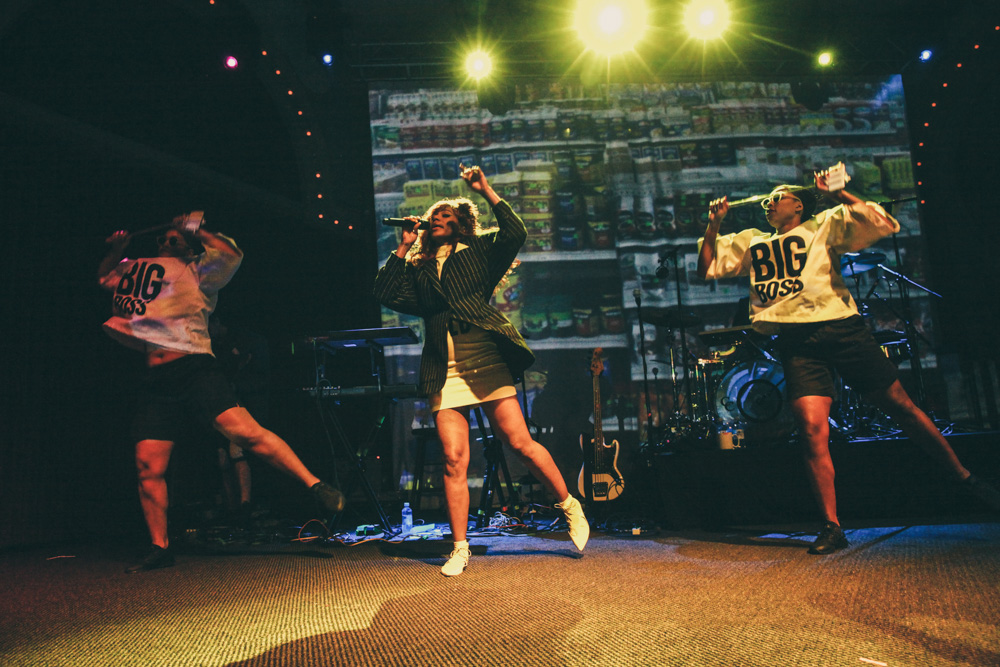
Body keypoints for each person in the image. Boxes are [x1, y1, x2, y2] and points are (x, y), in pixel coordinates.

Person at [697, 167, 1000, 554]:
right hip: (797, 340)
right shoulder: (753, 241)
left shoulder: (823, 224)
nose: (769, 202)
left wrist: (839, 192)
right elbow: (706, 267)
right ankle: (831, 525)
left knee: (901, 407)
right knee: (810, 428)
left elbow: (880, 220)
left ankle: (964, 477)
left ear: (799, 205)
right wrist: (713, 224)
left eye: (779, 196)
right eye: (768, 199)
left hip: (841, 330)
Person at [374, 165, 589, 576]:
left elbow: (515, 233)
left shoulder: (479, 253)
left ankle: (568, 505)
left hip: (486, 359)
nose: (437, 220)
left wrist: (485, 189)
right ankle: (459, 547)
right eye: (433, 217)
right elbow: (384, 291)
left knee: (520, 442)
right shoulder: (418, 268)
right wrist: (402, 248)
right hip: (445, 367)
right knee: (454, 459)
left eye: (446, 217)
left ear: (460, 226)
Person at [98, 214, 345, 573]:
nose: (165, 245)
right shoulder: (138, 269)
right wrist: (116, 252)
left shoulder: (200, 271)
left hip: (195, 369)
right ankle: (159, 546)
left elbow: (230, 252)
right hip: (156, 380)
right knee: (148, 466)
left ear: (188, 245)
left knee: (245, 432)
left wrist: (195, 230)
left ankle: (314, 485)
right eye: (162, 241)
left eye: (173, 240)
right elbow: (107, 278)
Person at [209, 315, 271, 522]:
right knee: (222, 455)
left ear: (217, 322)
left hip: (246, 405)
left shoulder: (247, 341)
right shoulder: (216, 346)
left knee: (237, 450)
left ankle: (245, 505)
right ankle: (233, 507)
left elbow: (260, 377)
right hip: (224, 404)